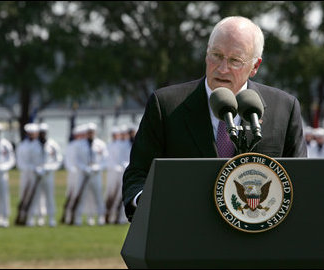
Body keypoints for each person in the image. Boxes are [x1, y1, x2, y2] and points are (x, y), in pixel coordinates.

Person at [122, 16, 307, 222]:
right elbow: (138, 174)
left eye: (235, 60)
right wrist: (147, 203)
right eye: (216, 55)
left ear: (255, 66)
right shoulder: (166, 106)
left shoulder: (284, 109)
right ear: (206, 54)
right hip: (184, 234)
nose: (222, 68)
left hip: (259, 243)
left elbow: (298, 181)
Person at [26, 123, 63, 227]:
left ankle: (51, 218)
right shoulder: (32, 145)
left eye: (44, 132)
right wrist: (35, 169)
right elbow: (28, 161)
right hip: (36, 175)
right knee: (34, 197)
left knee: (50, 197)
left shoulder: (52, 144)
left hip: (48, 174)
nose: (42, 134)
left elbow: (58, 160)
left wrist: (50, 168)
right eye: (41, 132)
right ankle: (31, 218)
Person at [74, 123, 108, 226]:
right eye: (89, 132)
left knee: (98, 196)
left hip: (96, 174)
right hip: (84, 174)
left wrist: (97, 167)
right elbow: (77, 159)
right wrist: (84, 168)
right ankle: (78, 217)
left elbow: (105, 159)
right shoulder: (80, 144)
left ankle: (101, 217)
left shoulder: (101, 144)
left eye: (92, 132)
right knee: (82, 196)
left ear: (95, 132)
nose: (90, 134)